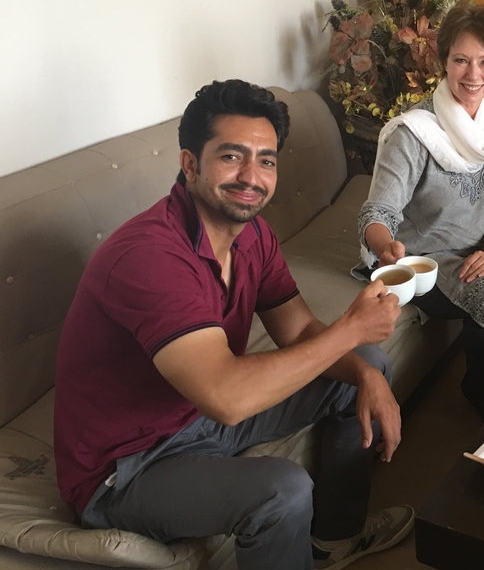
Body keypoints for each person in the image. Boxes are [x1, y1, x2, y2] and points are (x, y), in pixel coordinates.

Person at [54, 80, 414, 570]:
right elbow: (228, 399)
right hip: (128, 466)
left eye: (266, 160)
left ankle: (336, 539)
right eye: (231, 156)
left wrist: (368, 372)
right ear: (189, 164)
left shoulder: (253, 235)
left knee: (362, 366)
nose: (252, 176)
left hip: (194, 416)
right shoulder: (149, 257)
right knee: (282, 491)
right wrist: (351, 328)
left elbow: (300, 330)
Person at [358, 3, 484, 419]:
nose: (473, 74)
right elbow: (378, 211)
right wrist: (386, 247)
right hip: (431, 256)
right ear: (443, 62)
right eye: (461, 60)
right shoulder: (414, 132)